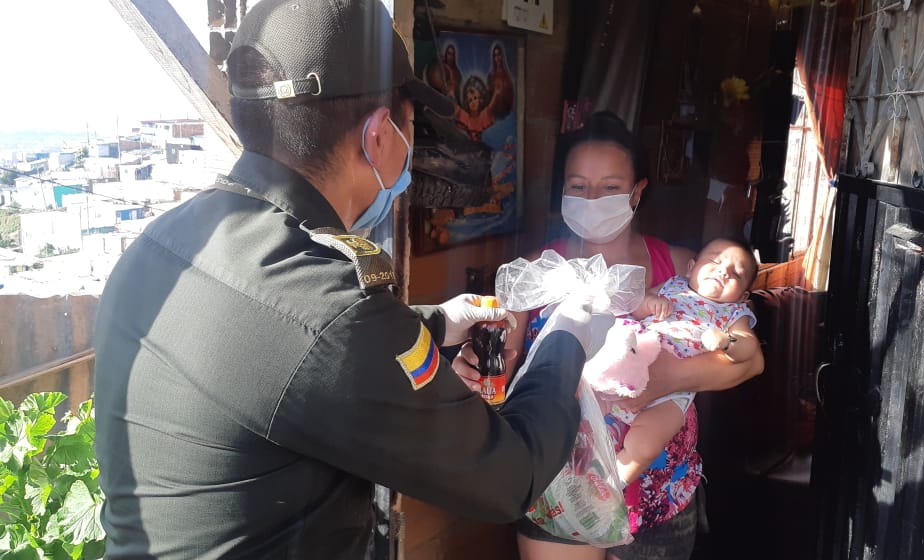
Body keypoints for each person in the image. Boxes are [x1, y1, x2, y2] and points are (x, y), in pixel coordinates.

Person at [92, 1, 609, 558]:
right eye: (414, 123)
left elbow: (270, 345)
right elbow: (512, 475)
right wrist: (568, 334)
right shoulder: (327, 310)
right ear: (380, 136)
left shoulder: (160, 244)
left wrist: (437, 323)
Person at [454, 112, 765, 560]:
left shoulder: (680, 268)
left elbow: (750, 361)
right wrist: (476, 363)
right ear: (562, 191)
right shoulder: (537, 273)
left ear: (637, 192)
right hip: (559, 486)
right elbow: (500, 360)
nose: (592, 198)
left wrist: (662, 382)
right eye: (578, 186)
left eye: (610, 187)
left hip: (659, 492)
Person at [613, 237, 760, 489]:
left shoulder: (733, 313)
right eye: (715, 260)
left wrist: (726, 341)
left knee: (648, 442)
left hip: (673, 394)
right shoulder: (673, 286)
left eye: (735, 273)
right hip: (635, 360)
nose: (723, 270)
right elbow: (635, 307)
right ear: (691, 267)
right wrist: (649, 303)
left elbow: (750, 349)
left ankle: (612, 482)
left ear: (743, 295)